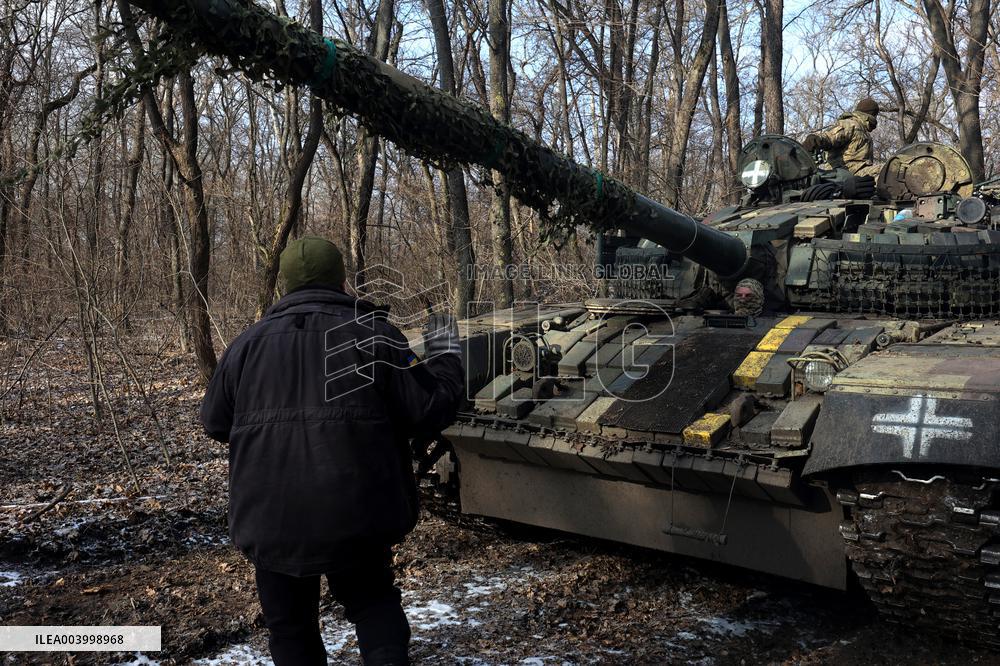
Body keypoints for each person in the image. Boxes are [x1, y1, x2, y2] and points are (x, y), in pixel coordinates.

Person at [200, 236, 464, 666]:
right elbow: (429, 409)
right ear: (341, 279)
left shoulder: (246, 346)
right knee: (374, 607)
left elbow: (214, 421)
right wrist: (446, 352)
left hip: (271, 517)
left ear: (284, 285)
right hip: (355, 514)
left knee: (290, 630)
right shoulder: (373, 335)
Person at [802, 98, 881, 177]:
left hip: (858, 172)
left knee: (885, 173)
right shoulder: (851, 124)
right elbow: (830, 137)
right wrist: (816, 140)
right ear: (871, 115)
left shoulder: (863, 130)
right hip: (845, 172)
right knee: (886, 171)